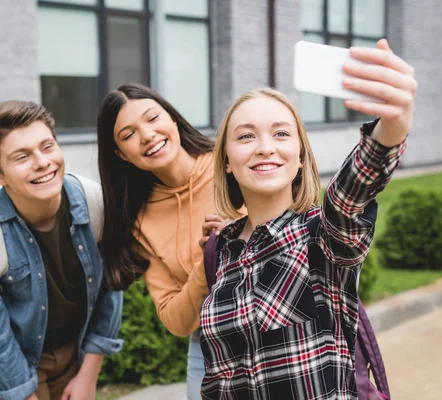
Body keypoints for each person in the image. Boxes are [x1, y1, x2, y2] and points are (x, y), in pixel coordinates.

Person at [199, 39, 416, 399]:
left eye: (281, 133)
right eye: (246, 136)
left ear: (300, 156)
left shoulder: (323, 236)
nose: (265, 146)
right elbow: (218, 380)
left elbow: (349, 197)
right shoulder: (220, 252)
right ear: (226, 160)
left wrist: (392, 125)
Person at [0, 100, 123, 400]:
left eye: (47, 147)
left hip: (72, 350)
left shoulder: (96, 204)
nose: (42, 162)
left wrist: (89, 374)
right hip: (9, 361)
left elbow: (112, 289)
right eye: (22, 157)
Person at [96, 83, 225, 399]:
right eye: (128, 135)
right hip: (209, 347)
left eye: (153, 118)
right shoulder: (140, 221)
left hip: (278, 333)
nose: (147, 135)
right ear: (121, 155)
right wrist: (206, 260)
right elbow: (176, 320)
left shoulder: (230, 164)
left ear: (172, 118)